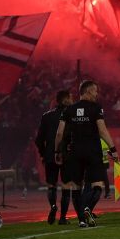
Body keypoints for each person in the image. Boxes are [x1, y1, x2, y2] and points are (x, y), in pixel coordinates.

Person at [53, 80, 118, 228]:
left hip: (75, 152)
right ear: (88, 91)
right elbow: (102, 131)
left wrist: (57, 151)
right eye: (95, 91)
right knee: (97, 184)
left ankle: (81, 220)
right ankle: (88, 208)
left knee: (76, 186)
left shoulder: (69, 109)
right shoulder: (96, 108)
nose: (97, 94)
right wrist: (113, 149)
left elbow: (59, 133)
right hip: (93, 151)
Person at [34, 89, 72, 224]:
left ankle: (53, 206)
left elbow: (39, 139)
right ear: (65, 100)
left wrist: (43, 154)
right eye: (70, 98)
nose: (72, 100)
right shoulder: (71, 116)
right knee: (66, 185)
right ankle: (63, 218)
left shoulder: (47, 116)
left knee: (51, 184)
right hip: (66, 155)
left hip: (50, 155)